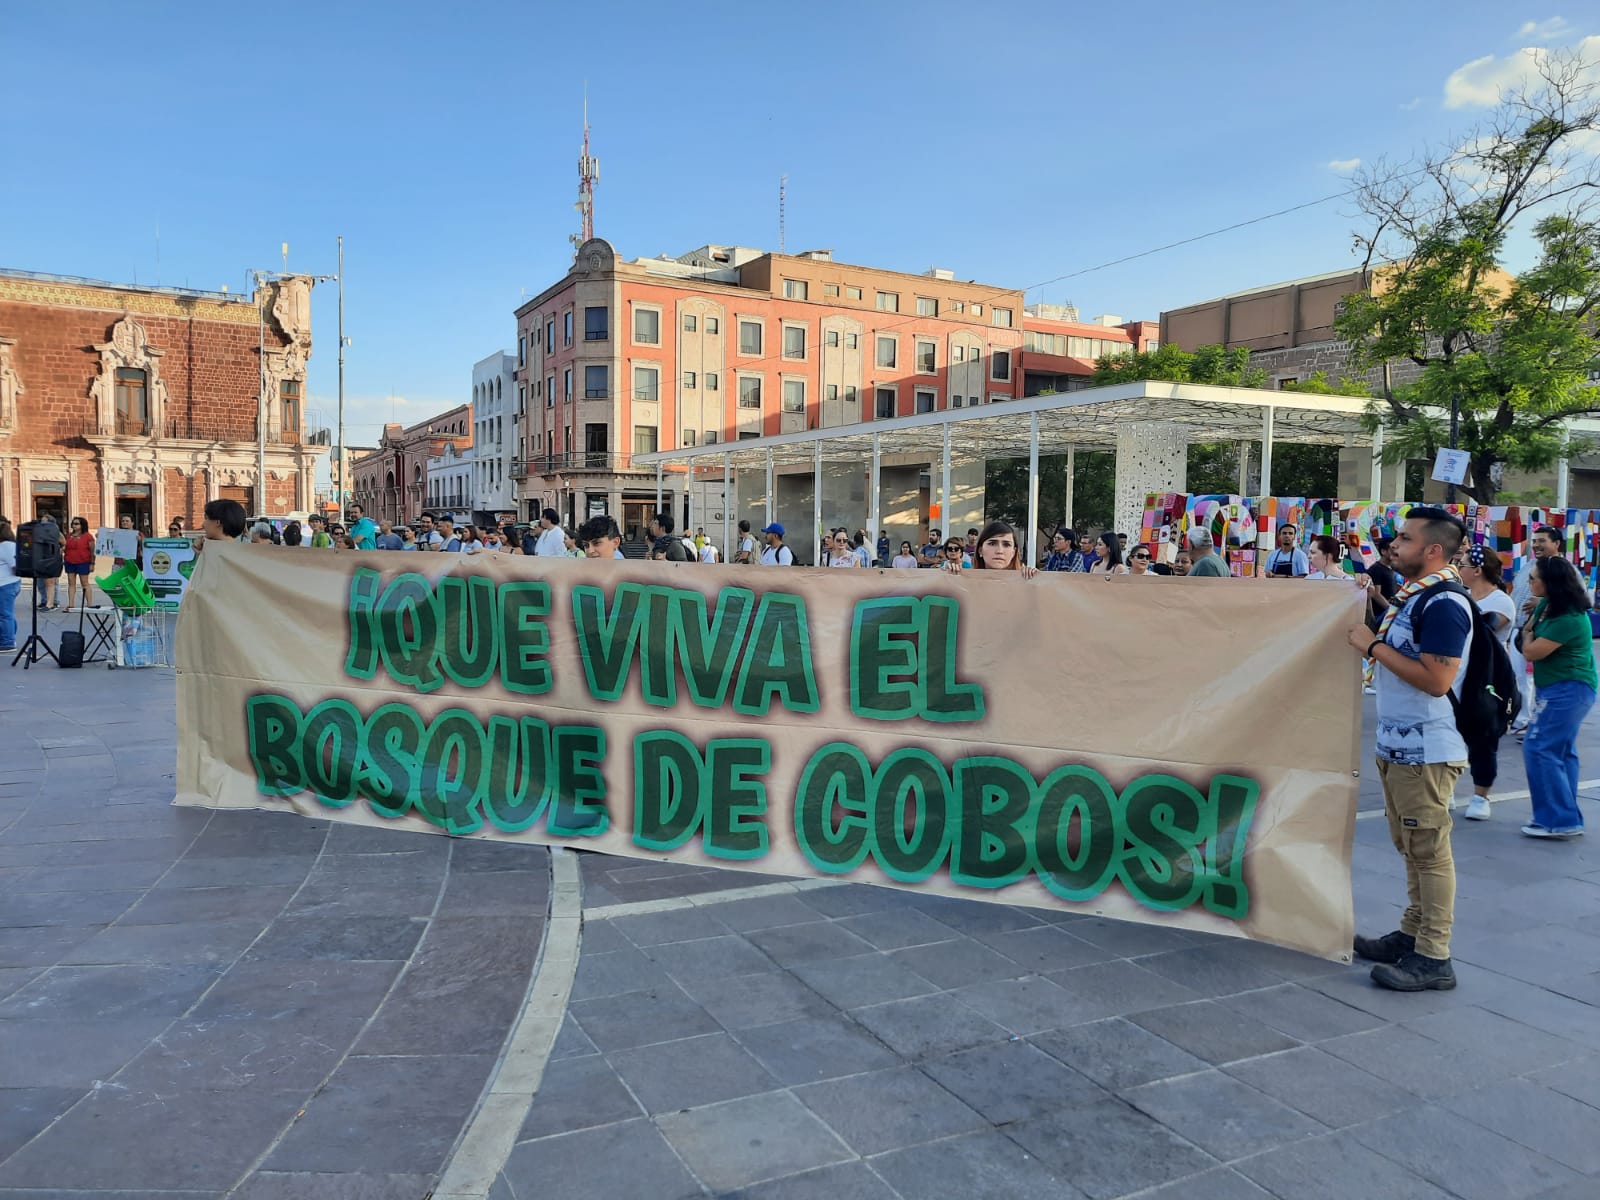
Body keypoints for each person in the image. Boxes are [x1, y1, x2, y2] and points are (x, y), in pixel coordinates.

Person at [1349, 507, 1470, 992]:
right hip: (1399, 746)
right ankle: (1412, 933)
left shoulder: (1442, 603)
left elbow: (1439, 680)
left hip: (1427, 750)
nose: (1393, 545)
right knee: (1413, 849)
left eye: (1404, 538)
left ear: (1433, 550)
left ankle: (1434, 956)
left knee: (1430, 852)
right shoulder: (1411, 598)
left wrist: (1371, 647)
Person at [1519, 554, 1596, 839]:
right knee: (1561, 751)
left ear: (1550, 583)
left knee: (1539, 746)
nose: (1529, 583)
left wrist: (1527, 634)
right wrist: (1530, 630)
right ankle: (1565, 815)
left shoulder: (1570, 618)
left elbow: (1531, 651)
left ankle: (1558, 819)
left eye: (1533, 579)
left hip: (1570, 688)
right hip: (1556, 686)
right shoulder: (1547, 606)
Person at [1456, 545, 1516, 822]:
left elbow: (1484, 629)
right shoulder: (1463, 597)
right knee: (1450, 732)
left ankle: (1481, 795)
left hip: (1488, 677)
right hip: (1458, 672)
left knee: (1483, 736)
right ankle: (1445, 788)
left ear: (1477, 570)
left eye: (1464, 565)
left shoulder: (1500, 601)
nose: (1459, 569)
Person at [1510, 524, 1566, 732]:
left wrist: (1543, 601)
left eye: (1542, 541)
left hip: (1541, 632)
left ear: (1556, 543)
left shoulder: (1562, 569)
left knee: (1529, 679)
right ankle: (1521, 717)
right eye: (1534, 541)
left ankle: (1526, 720)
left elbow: (1575, 600)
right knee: (1518, 678)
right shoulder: (1529, 565)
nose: (1536, 545)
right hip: (1519, 630)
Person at [973, 520, 1038, 578]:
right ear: (980, 550)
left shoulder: (1027, 580)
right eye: (992, 544)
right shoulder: (966, 581)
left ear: (1013, 552)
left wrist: (1036, 578)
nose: (999, 551)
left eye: (1006, 545)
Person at [62, 516, 95, 609]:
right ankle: (71, 604)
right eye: (73, 523)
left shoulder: (88, 536)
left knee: (85, 583)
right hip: (69, 561)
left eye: (76, 524)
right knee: (71, 583)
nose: (74, 525)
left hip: (83, 561)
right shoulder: (69, 536)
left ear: (82, 525)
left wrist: (92, 563)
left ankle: (89, 604)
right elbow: (65, 547)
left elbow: (92, 551)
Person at [0, 520, 18, 652]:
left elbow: (15, 566)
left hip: (6, 583)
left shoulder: (6, 546)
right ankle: (9, 636)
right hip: (8, 582)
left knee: (5, 614)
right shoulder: (8, 545)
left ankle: (8, 641)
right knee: (7, 613)